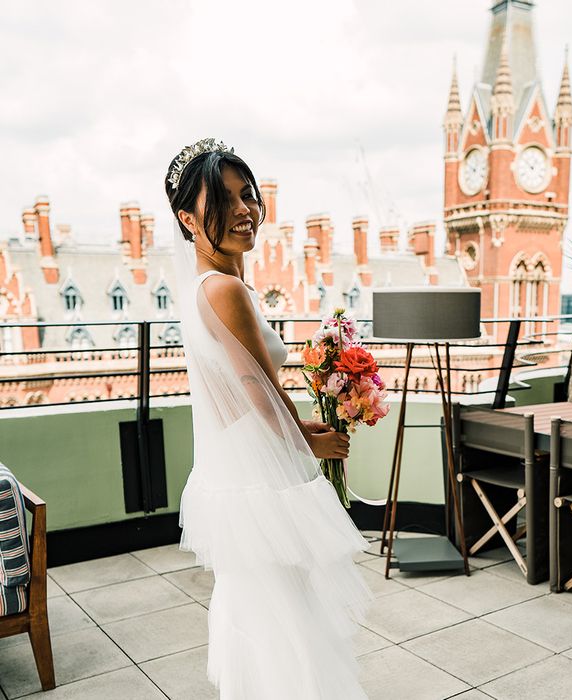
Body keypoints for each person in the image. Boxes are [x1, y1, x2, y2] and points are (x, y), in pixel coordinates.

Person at [165, 138, 374, 699]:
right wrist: (312, 440)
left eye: (248, 195)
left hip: (238, 467)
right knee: (286, 621)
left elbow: (246, 387)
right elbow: (260, 389)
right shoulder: (226, 290)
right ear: (188, 219)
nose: (243, 210)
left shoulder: (206, 289)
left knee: (261, 610)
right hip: (258, 473)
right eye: (223, 200)